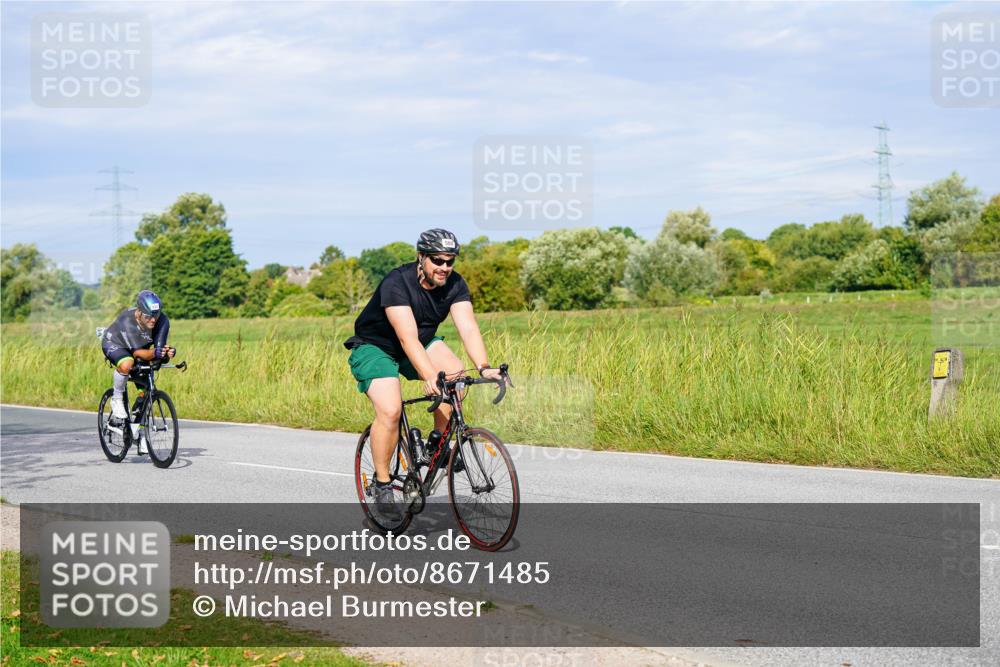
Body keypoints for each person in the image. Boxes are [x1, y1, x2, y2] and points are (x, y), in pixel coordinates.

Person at [344, 229, 502, 519]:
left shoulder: (454, 284)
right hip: (376, 347)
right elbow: (407, 339)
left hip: (420, 341)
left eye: (450, 261)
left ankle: (436, 445)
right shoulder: (397, 282)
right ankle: (381, 484)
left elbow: (467, 326)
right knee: (390, 410)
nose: (444, 267)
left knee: (455, 374)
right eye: (437, 261)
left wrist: (483, 366)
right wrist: (429, 375)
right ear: (421, 258)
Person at [101, 290, 175, 421]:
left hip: (139, 348)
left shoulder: (162, 321)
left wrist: (165, 353)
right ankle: (117, 399)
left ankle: (139, 432)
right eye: (149, 316)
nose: (153, 320)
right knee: (127, 363)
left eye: (156, 315)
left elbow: (157, 352)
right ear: (139, 312)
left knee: (147, 390)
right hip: (115, 344)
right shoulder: (127, 319)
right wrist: (155, 353)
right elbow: (137, 353)